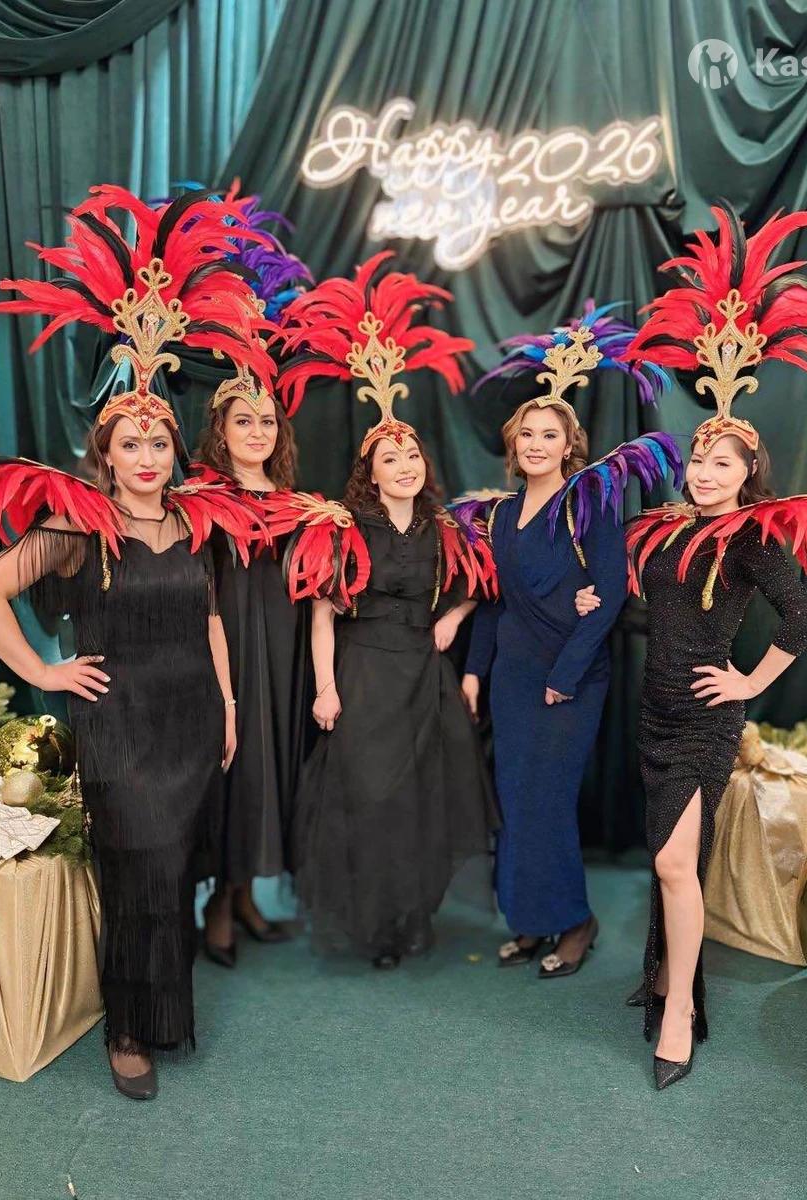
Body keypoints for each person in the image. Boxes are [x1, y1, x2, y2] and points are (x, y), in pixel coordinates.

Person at [579, 204, 807, 1088]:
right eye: (698, 460)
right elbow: (657, 617)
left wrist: (748, 681)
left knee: (674, 861)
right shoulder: (669, 532)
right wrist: (603, 601)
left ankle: (681, 1007)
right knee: (668, 863)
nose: (704, 472)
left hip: (703, 724)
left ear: (748, 472)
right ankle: (661, 978)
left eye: (722, 463)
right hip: (653, 714)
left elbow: (802, 621)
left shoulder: (754, 538)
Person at [0, 184, 271, 1099]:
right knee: (136, 868)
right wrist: (42, 667)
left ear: (176, 451)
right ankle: (129, 1032)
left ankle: (161, 1016)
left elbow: (210, 618)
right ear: (105, 454)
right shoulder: (76, 524)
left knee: (172, 874)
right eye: (130, 444)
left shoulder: (196, 521)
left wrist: (228, 706)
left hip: (191, 719)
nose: (147, 457)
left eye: (158, 443)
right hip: (118, 723)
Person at [274, 253, 499, 967]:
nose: (404, 467)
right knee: (369, 798)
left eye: (412, 457)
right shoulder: (343, 528)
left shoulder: (445, 529)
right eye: (390, 460)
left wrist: (452, 618)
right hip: (364, 672)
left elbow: (478, 582)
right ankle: (372, 920)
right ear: (370, 473)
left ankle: (412, 913)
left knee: (422, 797)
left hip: (424, 673)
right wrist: (326, 688)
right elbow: (321, 613)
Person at [456, 304, 679, 977]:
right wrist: (474, 672)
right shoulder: (499, 517)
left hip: (569, 679)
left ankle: (575, 922)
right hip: (512, 678)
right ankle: (530, 921)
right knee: (515, 802)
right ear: (512, 444)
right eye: (526, 434)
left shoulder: (589, 504)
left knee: (547, 804)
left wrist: (566, 673)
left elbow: (605, 594)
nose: (535, 444)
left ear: (567, 445)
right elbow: (495, 602)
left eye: (548, 434)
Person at [194, 387, 311, 965]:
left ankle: (244, 897)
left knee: (271, 768)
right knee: (235, 768)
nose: (258, 432)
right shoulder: (201, 498)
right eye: (244, 421)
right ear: (221, 429)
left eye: (268, 421)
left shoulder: (298, 503)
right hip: (231, 644)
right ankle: (219, 898)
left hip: (286, 646)